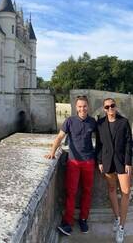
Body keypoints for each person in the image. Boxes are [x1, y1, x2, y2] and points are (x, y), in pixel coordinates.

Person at [45, 95, 97, 236]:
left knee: (87, 191)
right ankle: (68, 222)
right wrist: (52, 152)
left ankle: (83, 218)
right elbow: (60, 137)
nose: (82, 109)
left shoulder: (93, 122)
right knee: (71, 192)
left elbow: (102, 139)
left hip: (89, 161)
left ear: (88, 107)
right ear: (76, 107)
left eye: (84, 106)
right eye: (80, 106)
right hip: (73, 161)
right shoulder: (69, 121)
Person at [96, 98, 132, 243]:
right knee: (111, 188)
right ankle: (117, 218)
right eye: (107, 106)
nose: (110, 108)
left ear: (115, 106)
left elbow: (129, 143)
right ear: (104, 109)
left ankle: (122, 227)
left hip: (122, 161)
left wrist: (128, 162)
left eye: (112, 106)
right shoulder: (100, 124)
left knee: (125, 192)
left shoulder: (124, 122)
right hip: (107, 160)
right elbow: (98, 144)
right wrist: (99, 160)